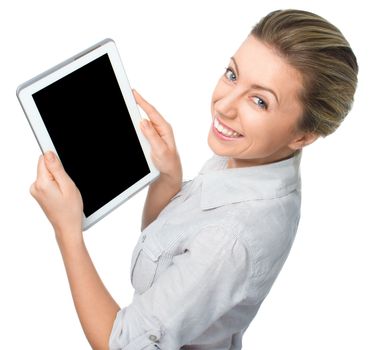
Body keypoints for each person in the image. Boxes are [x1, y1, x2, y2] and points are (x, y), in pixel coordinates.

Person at [29, 9, 358, 350]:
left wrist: (68, 233)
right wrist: (169, 178)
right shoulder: (251, 161)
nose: (224, 106)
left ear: (304, 136)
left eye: (259, 101)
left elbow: (121, 345)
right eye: (232, 75)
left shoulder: (228, 238)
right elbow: (169, 249)